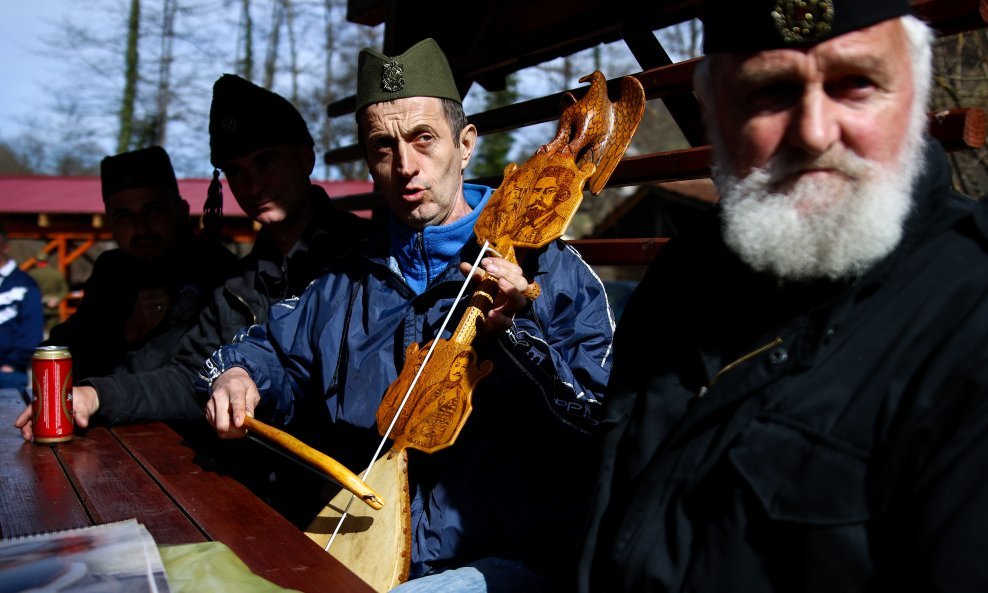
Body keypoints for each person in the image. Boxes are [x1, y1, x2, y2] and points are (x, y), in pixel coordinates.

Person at [578, 1, 988, 592]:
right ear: (714, 111)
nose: (815, 132)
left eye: (857, 84)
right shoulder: (680, 281)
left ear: (915, 100)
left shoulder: (971, 312)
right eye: (770, 90)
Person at [198, 38, 613, 592]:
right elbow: (266, 348)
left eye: (424, 139)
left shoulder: (549, 268)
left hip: (504, 560)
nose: (406, 167)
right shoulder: (346, 280)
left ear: (465, 145)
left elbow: (602, 417)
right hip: (364, 547)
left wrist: (516, 335)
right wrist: (238, 375)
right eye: (383, 147)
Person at [15, 75, 378, 439]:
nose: (252, 184)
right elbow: (191, 374)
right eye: (236, 171)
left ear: (306, 158)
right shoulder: (236, 284)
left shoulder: (368, 258)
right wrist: (97, 395)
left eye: (266, 162)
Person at [43, 145, 237, 381]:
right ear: (111, 224)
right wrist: (125, 332)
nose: (141, 227)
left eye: (153, 210)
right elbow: (57, 353)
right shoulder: (111, 271)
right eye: (124, 215)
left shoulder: (218, 271)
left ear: (182, 212)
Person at [0, 226, 43, 390]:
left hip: (8, 373)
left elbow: (32, 330)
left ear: (5, 247)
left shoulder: (25, 284)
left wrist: (12, 363)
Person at [26, 251, 69, 336]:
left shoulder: (31, 275)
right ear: (47, 261)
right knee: (52, 335)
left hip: (36, 308)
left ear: (36, 261)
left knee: (35, 334)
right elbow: (65, 290)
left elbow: (27, 291)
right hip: (53, 308)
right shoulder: (57, 274)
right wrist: (56, 299)